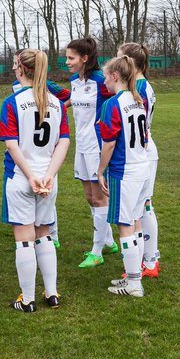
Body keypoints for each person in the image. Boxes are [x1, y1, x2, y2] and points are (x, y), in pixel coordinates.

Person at [0, 49, 71, 313]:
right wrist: (49, 175)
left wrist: (31, 176)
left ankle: (27, 299)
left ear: (20, 68)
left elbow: (11, 144)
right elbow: (63, 142)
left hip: (22, 179)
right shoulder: (57, 103)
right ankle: (51, 293)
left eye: (15, 64)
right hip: (48, 181)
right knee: (44, 233)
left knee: (24, 238)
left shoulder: (12, 102)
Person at [96, 56, 152, 298]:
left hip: (123, 171)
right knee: (135, 220)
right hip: (142, 168)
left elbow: (108, 144)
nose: (105, 81)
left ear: (116, 76)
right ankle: (134, 277)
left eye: (107, 76)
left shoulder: (112, 104)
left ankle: (133, 283)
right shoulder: (138, 100)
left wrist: (100, 171)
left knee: (125, 225)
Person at [68, 37, 119, 268]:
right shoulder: (74, 81)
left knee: (99, 198)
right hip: (81, 145)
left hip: (97, 146)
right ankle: (108, 241)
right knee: (89, 196)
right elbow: (74, 102)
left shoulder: (101, 80)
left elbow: (117, 101)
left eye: (71, 58)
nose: (67, 62)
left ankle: (97, 251)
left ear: (85, 58)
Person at [119, 42, 160, 278]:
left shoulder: (140, 88)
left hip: (141, 152)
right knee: (142, 207)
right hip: (143, 151)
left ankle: (148, 262)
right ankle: (148, 261)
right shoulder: (142, 85)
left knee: (140, 208)